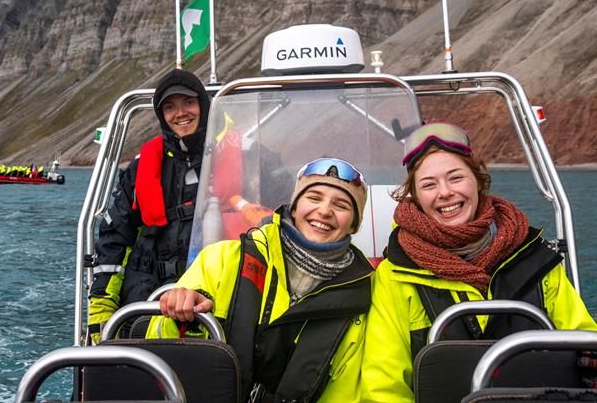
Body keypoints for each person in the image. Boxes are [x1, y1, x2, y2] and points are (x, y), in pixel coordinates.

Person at [361, 122, 597, 402]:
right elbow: (383, 386)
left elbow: (583, 337)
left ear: (478, 180)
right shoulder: (395, 275)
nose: (445, 192)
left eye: (456, 177)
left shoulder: (532, 257)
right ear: (415, 197)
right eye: (428, 184)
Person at [149, 158, 373, 402]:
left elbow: (347, 392)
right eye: (314, 198)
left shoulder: (363, 295)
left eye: (341, 205)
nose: (325, 211)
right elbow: (158, 345)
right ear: (295, 207)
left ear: (354, 224)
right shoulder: (221, 260)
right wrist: (183, 315)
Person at [88, 68, 210, 342]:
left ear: (203, 105)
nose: (180, 113)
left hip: (212, 286)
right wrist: (101, 305)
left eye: (188, 103)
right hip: (146, 291)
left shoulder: (236, 155)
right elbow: (115, 234)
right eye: (170, 107)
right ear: (161, 115)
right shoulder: (143, 166)